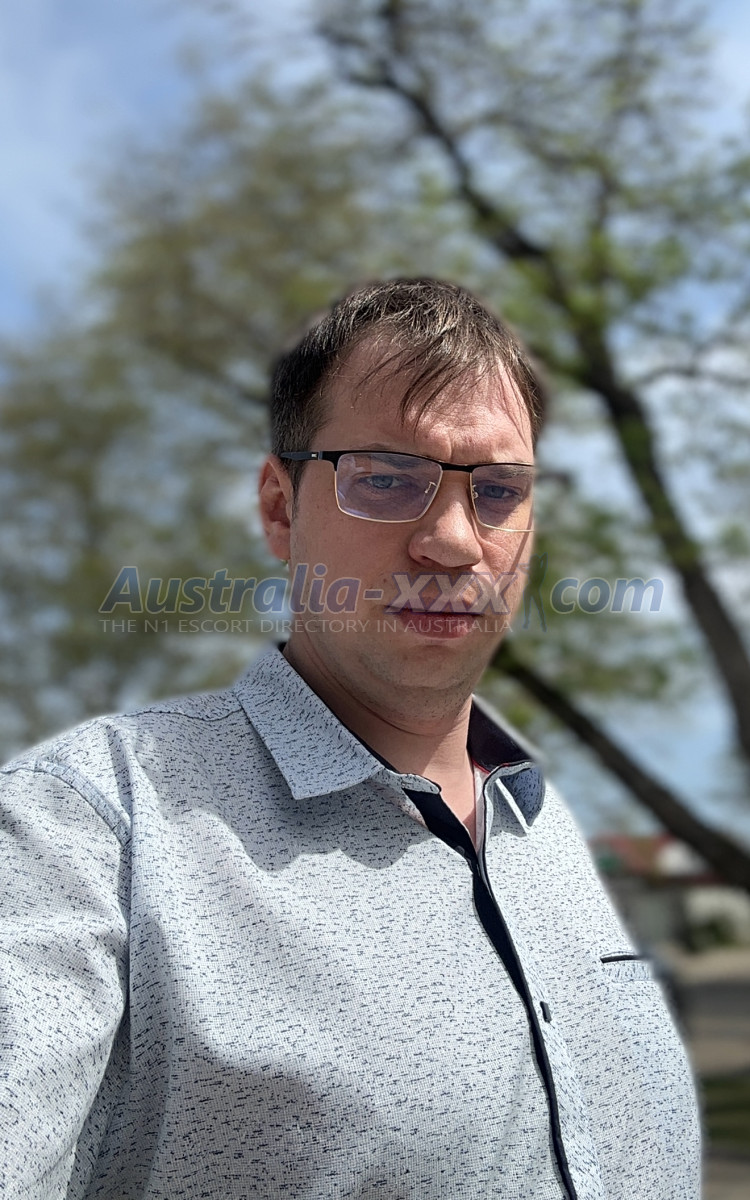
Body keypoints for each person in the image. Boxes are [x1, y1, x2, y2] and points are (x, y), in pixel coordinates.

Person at [0, 278, 699, 1199]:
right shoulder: (89, 829)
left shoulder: (539, 820)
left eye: (499, 490)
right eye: (386, 478)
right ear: (280, 508)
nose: (453, 542)